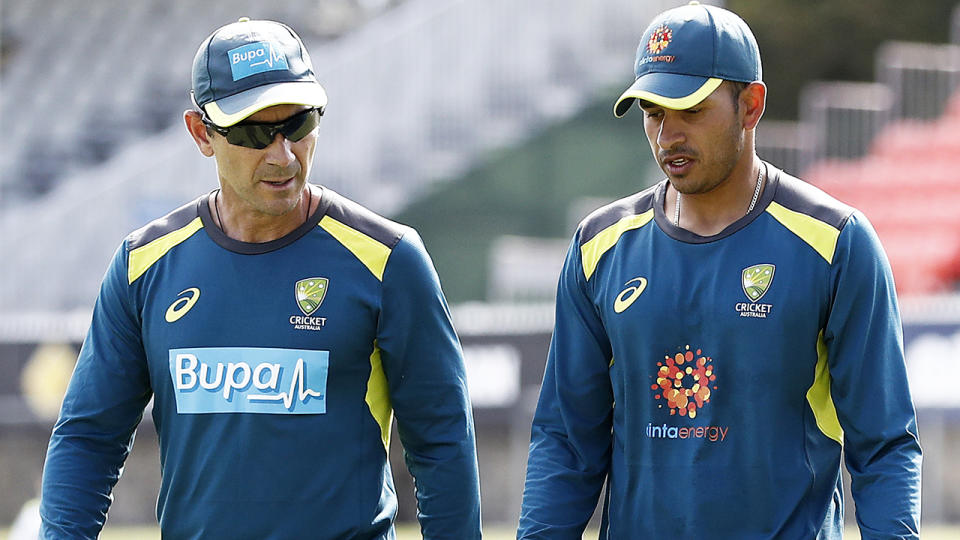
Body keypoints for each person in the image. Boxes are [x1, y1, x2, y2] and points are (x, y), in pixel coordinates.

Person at [39, 18, 481, 539]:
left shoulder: (389, 259)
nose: (283, 155)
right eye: (252, 132)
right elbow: (89, 438)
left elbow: (442, 442)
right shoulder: (144, 264)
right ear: (201, 133)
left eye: (297, 124)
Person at [517, 2, 922, 538]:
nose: (668, 136)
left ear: (750, 105)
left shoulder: (835, 244)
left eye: (690, 110)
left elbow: (885, 445)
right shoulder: (600, 246)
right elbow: (566, 442)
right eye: (654, 113)